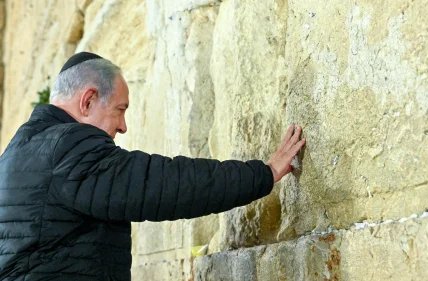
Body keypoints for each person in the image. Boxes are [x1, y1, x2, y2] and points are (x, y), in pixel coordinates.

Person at [0, 52, 306, 280]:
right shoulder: (69, 147)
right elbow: (166, 184)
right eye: (119, 110)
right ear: (88, 101)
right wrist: (263, 173)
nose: (123, 127)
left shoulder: (17, 152)